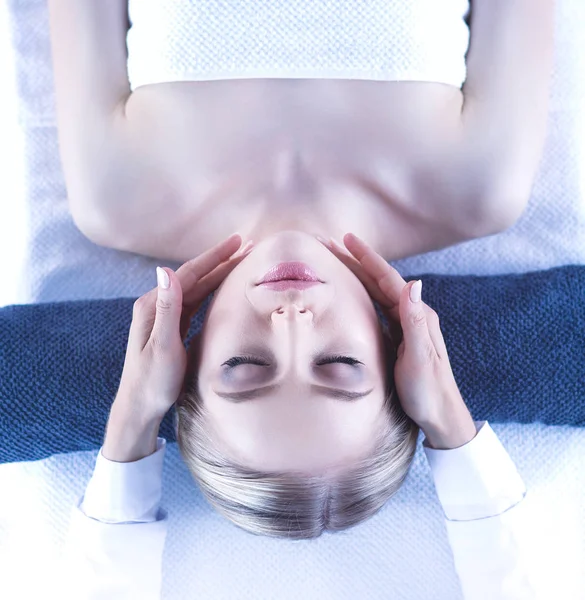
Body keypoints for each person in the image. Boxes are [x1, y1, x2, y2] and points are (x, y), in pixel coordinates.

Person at [49, 0, 554, 597]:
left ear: (185, 360)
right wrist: (449, 423)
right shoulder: (480, 186)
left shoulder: (117, 199)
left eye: (246, 366)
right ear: (401, 355)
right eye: (338, 365)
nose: (291, 321)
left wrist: (132, 422)